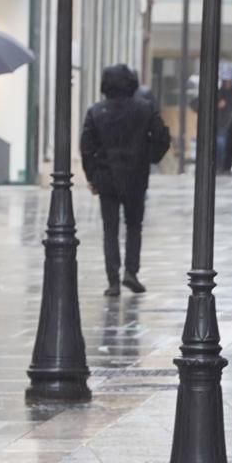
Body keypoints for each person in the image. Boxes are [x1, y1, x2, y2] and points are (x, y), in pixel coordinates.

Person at [80, 64, 171, 296]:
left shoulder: (96, 112)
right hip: (135, 176)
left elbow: (86, 148)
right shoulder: (145, 109)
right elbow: (162, 138)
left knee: (110, 229)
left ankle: (113, 280)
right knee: (134, 225)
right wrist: (149, 158)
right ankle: (131, 272)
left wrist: (92, 176)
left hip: (107, 177)